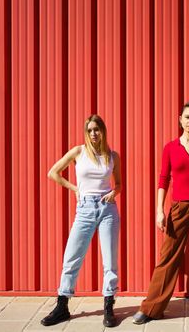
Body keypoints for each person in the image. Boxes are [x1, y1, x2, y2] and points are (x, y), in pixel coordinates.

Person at [132, 101, 189, 326]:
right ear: (180, 119)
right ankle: (151, 307)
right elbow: (164, 179)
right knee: (168, 257)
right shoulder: (170, 148)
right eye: (187, 117)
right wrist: (159, 210)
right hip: (180, 206)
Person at [41, 114, 122, 328]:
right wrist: (75, 188)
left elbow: (119, 184)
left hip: (107, 210)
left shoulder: (112, 156)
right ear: (86, 132)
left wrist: (115, 192)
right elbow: (53, 172)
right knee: (71, 257)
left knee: (110, 261)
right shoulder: (79, 152)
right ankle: (62, 305)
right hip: (85, 209)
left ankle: (108, 305)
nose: (94, 133)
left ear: (103, 131)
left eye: (97, 129)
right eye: (90, 130)